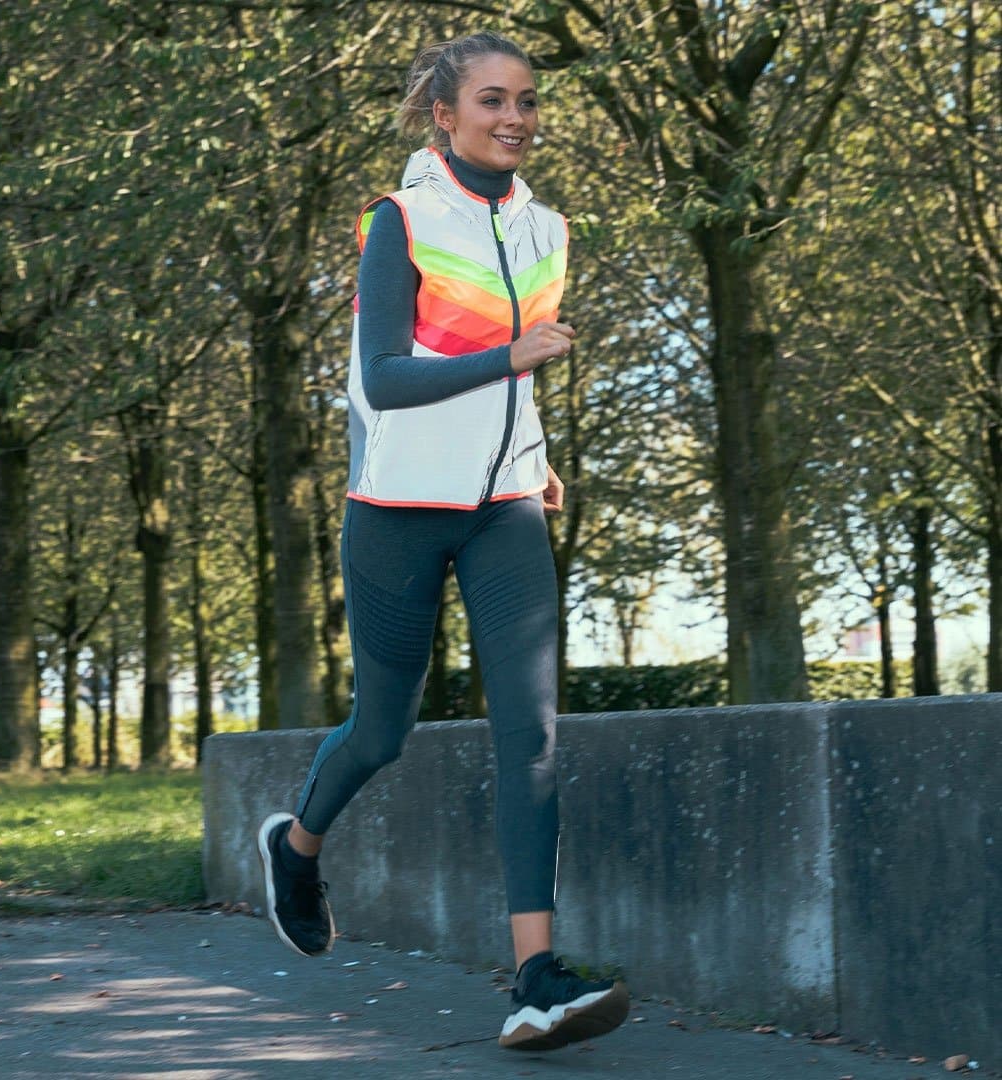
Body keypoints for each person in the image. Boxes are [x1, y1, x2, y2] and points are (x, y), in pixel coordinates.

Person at [257, 30, 629, 1052]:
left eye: (527, 101)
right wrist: (512, 357)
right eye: (493, 100)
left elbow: (518, 381)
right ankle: (297, 846)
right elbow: (384, 378)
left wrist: (533, 452)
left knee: (532, 736)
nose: (515, 117)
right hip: (397, 511)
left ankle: (535, 979)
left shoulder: (547, 230)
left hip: (506, 507)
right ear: (445, 114)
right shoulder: (401, 222)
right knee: (383, 731)